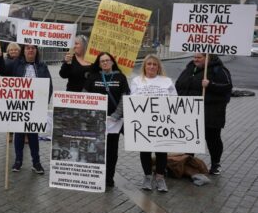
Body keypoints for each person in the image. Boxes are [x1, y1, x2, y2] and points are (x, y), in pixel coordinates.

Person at [0, 43, 52, 174]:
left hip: (36, 106)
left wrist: (45, 103)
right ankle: (18, 161)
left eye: (33, 48)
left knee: (33, 134)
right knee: (19, 134)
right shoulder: (16, 64)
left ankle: (36, 162)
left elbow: (49, 86)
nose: (30, 50)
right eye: (28, 48)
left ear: (36, 51)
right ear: (24, 51)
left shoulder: (42, 66)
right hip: (19, 105)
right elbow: (2, 71)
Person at [175, 53, 232, 175]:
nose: (195, 59)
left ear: (208, 58)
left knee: (212, 138)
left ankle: (215, 164)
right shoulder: (189, 69)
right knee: (190, 136)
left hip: (212, 111)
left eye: (199, 57)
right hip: (190, 110)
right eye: (194, 57)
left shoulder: (219, 70)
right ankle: (187, 161)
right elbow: (179, 84)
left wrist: (210, 85)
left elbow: (227, 87)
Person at [129, 55, 177, 192]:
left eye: (154, 64)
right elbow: (132, 100)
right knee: (145, 150)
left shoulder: (166, 81)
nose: (151, 67)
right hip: (143, 121)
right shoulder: (137, 81)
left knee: (161, 150)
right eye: (149, 64)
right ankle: (147, 176)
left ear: (158, 67)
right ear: (144, 66)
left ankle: (160, 178)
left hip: (162, 121)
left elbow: (175, 100)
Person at [83, 52, 130, 188]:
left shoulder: (120, 77)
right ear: (99, 63)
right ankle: (97, 176)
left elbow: (125, 97)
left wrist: (117, 114)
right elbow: (85, 96)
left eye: (107, 60)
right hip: (96, 120)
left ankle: (109, 178)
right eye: (102, 61)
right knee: (96, 149)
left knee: (111, 150)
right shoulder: (93, 77)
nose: (104, 63)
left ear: (112, 62)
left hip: (114, 122)